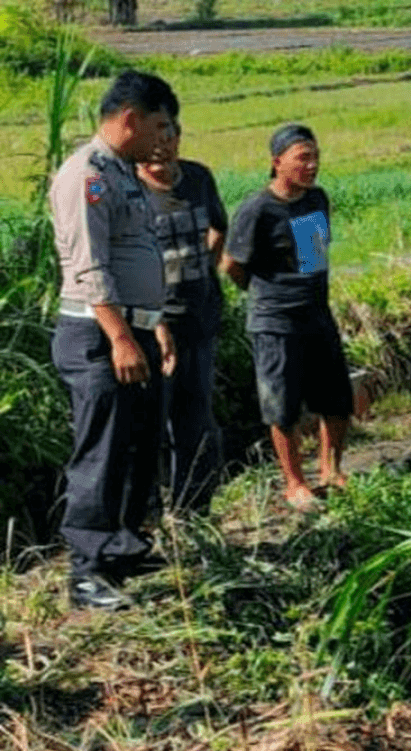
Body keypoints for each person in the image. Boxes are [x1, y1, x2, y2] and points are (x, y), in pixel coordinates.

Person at [49, 70, 178, 610]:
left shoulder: (122, 173)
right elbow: (89, 266)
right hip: (100, 335)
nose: (165, 139)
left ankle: (122, 546)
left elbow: (136, 256)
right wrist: (122, 338)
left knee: (136, 443)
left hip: (133, 329)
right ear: (130, 119)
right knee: (101, 449)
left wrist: (154, 325)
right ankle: (87, 569)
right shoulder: (87, 175)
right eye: (159, 126)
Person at [221, 124, 353, 509]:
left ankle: (331, 469)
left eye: (315, 157)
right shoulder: (257, 209)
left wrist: (305, 291)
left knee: (336, 397)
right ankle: (294, 482)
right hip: (275, 320)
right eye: (303, 158)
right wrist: (268, 293)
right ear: (277, 163)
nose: (312, 166)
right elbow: (232, 265)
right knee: (282, 404)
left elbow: (314, 256)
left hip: (316, 311)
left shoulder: (316, 200)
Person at [137, 120, 228, 516]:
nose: (161, 148)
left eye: (169, 137)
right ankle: (148, 516)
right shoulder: (130, 190)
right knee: (151, 423)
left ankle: (194, 513)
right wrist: (156, 322)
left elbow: (219, 228)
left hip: (200, 318)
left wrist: (205, 268)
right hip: (154, 326)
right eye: (153, 140)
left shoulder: (197, 178)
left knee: (196, 419)